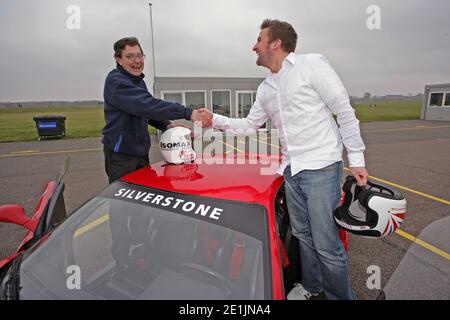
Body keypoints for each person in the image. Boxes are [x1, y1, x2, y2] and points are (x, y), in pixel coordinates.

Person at [199, 19, 368, 300]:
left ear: (275, 43)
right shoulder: (266, 89)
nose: (254, 46)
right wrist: (213, 119)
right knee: (302, 235)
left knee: (327, 245)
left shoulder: (311, 65)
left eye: (259, 40)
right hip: (291, 169)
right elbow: (249, 126)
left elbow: (344, 111)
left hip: (321, 168)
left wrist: (357, 159)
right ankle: (312, 287)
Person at [102, 36, 210, 183]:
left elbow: (146, 111)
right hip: (122, 156)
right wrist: (189, 113)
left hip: (140, 152)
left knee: (143, 197)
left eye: (140, 55)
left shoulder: (138, 81)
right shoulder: (117, 82)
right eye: (130, 56)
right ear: (119, 59)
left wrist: (166, 124)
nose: (137, 61)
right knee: (124, 202)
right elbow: (147, 105)